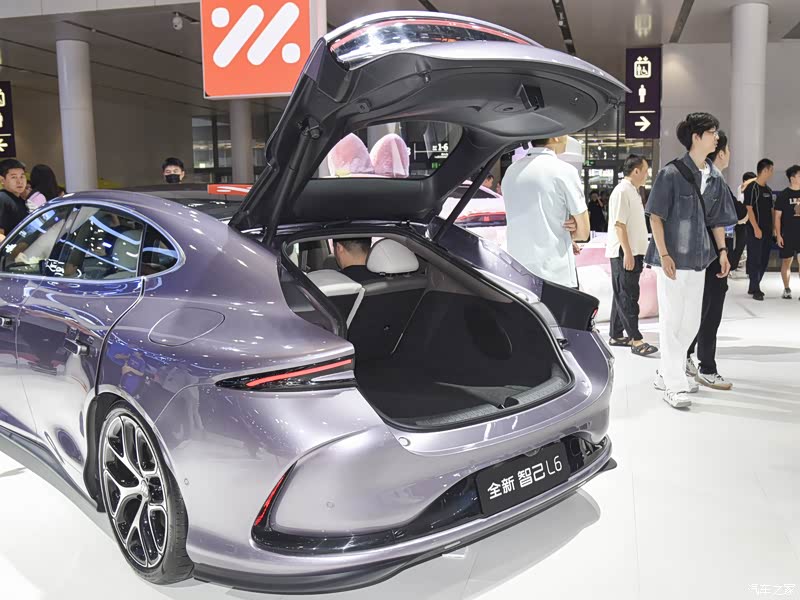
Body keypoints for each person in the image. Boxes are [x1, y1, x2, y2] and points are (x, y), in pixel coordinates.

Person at [645, 113, 737, 409]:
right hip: (672, 260)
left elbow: (717, 220)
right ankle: (675, 385)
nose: (717, 137)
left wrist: (723, 252)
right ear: (696, 137)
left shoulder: (715, 177)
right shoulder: (670, 174)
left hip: (700, 260)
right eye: (712, 132)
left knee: (690, 323)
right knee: (671, 321)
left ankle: (665, 372)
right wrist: (664, 254)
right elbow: (656, 216)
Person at [685, 131, 747, 390]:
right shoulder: (713, 179)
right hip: (709, 255)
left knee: (698, 310)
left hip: (699, 253)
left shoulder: (698, 175)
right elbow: (736, 214)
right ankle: (706, 367)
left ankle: (684, 358)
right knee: (709, 312)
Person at [502, 136, 590, 288]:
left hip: (518, 274)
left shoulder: (511, 171)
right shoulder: (565, 171)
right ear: (555, 136)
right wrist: (567, 233)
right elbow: (583, 233)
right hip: (555, 275)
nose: (568, 138)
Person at [605, 154, 656, 356]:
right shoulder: (622, 191)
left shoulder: (632, 191)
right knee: (628, 296)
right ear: (635, 171)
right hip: (625, 252)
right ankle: (636, 339)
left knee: (622, 294)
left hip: (632, 251)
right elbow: (619, 224)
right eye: (645, 171)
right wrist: (627, 252)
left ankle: (616, 334)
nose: (646, 175)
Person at [743, 158, 775, 300]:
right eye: (771, 170)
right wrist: (756, 228)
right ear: (765, 170)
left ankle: (754, 285)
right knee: (755, 258)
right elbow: (749, 209)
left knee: (764, 259)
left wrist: (774, 228)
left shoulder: (768, 190)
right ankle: (756, 288)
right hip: (754, 230)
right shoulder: (752, 188)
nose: (772, 173)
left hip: (767, 230)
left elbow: (771, 210)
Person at [775, 164, 800, 299]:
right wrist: (778, 235)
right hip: (788, 234)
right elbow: (777, 217)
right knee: (787, 261)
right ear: (792, 178)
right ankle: (786, 288)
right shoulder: (784, 195)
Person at [730, 171, 757, 274]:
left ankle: (749, 269)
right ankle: (732, 265)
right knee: (740, 245)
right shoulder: (741, 188)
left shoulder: (753, 191)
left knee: (751, 246)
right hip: (742, 222)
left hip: (750, 221)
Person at [0, 158, 30, 242]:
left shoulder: (20, 200)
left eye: (22, 176)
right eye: (14, 177)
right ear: (2, 180)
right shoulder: (2, 198)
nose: (19, 181)